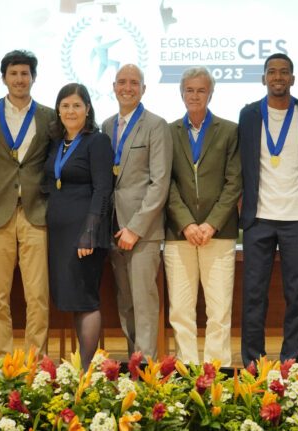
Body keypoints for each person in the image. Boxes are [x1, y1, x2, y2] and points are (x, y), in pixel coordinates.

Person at [238, 53, 298, 365]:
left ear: (293, 79)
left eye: (284, 72)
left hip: (297, 218)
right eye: (271, 72)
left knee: (296, 294)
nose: (277, 77)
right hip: (258, 217)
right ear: (263, 78)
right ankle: (252, 361)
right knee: (254, 294)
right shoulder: (248, 115)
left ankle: (291, 361)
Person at [0, 50, 56, 357]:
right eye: (14, 73)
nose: (19, 79)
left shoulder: (49, 115)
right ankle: (2, 360)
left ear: (34, 77)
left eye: (25, 73)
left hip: (36, 212)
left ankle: (37, 361)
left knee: (38, 295)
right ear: (4, 78)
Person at [164, 67, 241, 366]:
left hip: (218, 233)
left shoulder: (229, 130)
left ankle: (216, 373)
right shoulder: (168, 131)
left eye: (201, 90)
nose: (195, 95)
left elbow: (234, 182)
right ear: (181, 93)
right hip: (179, 233)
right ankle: (186, 370)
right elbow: (165, 182)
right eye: (189, 90)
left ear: (211, 93)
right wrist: (186, 223)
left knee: (219, 309)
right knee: (180, 310)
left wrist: (210, 224)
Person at [102, 64, 172, 359]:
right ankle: (134, 361)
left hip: (143, 231)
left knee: (144, 301)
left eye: (134, 83)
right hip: (114, 228)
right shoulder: (106, 126)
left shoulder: (156, 125)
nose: (127, 87)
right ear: (114, 87)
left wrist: (135, 227)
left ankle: (147, 370)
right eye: (121, 82)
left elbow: (160, 183)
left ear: (144, 89)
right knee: (126, 302)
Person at [44, 83, 113, 368]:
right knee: (73, 298)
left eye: (76, 105)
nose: (70, 111)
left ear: (87, 109)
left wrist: (89, 235)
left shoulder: (97, 141)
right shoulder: (58, 143)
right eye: (65, 105)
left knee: (85, 299)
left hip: (83, 234)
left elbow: (102, 190)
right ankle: (81, 367)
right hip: (60, 234)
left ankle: (86, 370)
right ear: (58, 110)